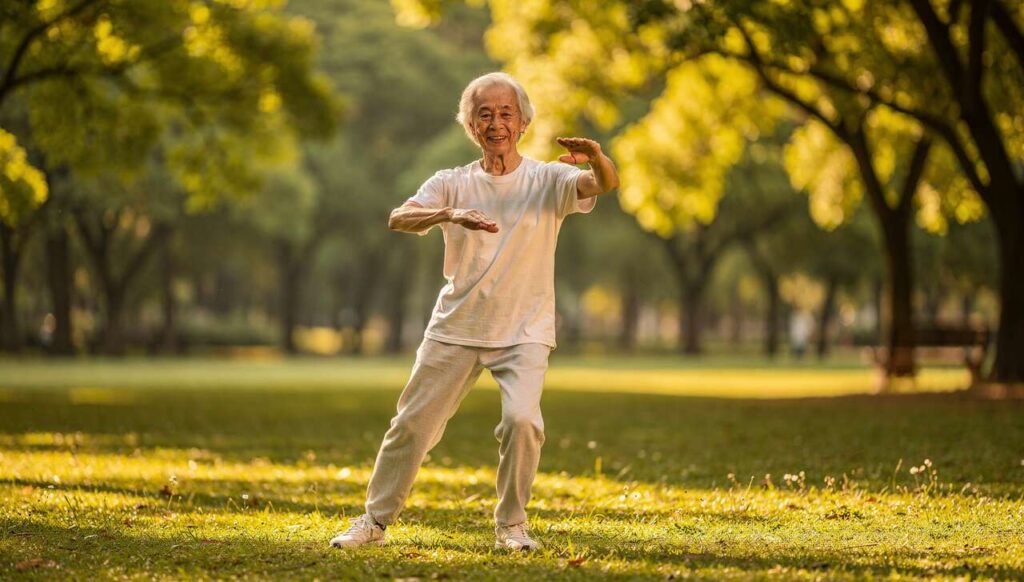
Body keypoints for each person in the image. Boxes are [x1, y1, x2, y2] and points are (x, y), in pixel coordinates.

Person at [329, 72, 619, 551]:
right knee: (411, 426)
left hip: (524, 329)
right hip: (457, 326)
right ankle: (373, 523)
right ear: (471, 124)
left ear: (522, 122)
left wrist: (598, 157)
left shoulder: (549, 179)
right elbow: (399, 217)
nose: (496, 122)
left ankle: (512, 526)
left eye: (506, 113)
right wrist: (449, 214)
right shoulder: (451, 182)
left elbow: (603, 185)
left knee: (523, 422)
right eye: (485, 113)